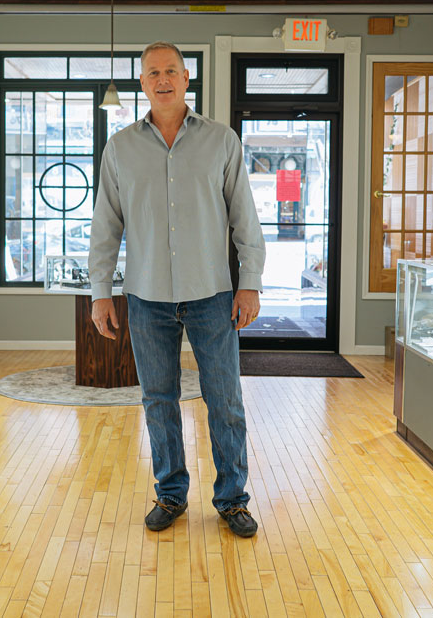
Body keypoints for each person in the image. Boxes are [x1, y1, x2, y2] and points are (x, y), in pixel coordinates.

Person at [88, 41, 266, 538]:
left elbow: (245, 223)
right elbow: (106, 226)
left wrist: (248, 285)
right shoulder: (120, 148)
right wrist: (101, 291)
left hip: (212, 294)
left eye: (171, 71)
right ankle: (170, 493)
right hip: (146, 297)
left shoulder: (221, 141)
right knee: (158, 399)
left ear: (187, 79)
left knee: (225, 399)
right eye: (152, 73)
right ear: (141, 84)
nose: (162, 80)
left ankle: (232, 499)